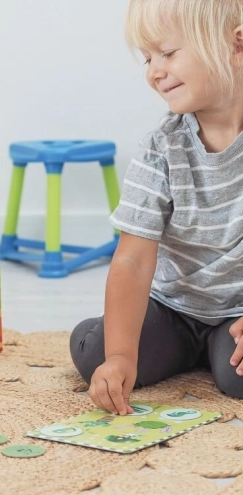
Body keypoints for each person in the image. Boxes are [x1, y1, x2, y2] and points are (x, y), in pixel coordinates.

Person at [71, 0, 243, 416]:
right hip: (173, 308)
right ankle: (170, 349)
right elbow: (132, 260)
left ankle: (215, 353)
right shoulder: (159, 149)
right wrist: (120, 357)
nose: (154, 72)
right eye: (148, 59)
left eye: (167, 53)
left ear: (237, 46)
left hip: (237, 314)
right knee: (97, 353)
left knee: (239, 378)